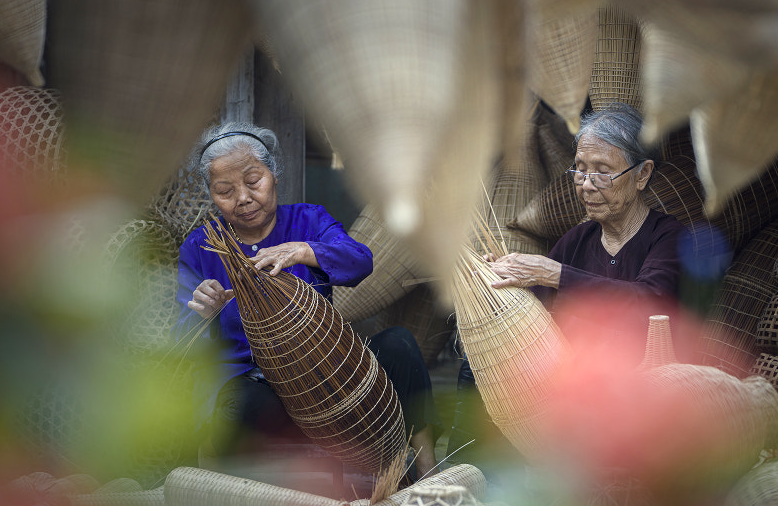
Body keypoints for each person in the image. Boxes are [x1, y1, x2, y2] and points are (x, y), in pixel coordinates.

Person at [175, 122, 439, 478]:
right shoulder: (201, 245)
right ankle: (252, 498)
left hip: (326, 371)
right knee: (239, 406)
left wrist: (304, 250)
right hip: (258, 384)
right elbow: (181, 340)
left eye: (253, 181)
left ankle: (428, 473)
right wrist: (203, 312)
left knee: (400, 346)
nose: (242, 198)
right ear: (212, 195)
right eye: (225, 190)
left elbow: (360, 261)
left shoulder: (309, 219)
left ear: (275, 175)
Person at [447, 103, 689, 464]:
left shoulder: (667, 237)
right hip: (568, 392)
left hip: (637, 395)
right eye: (580, 170)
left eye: (603, 172)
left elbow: (650, 303)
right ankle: (463, 472)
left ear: (642, 175)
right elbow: (537, 313)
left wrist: (553, 273)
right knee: (477, 366)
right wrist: (498, 283)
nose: (586, 185)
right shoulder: (576, 241)